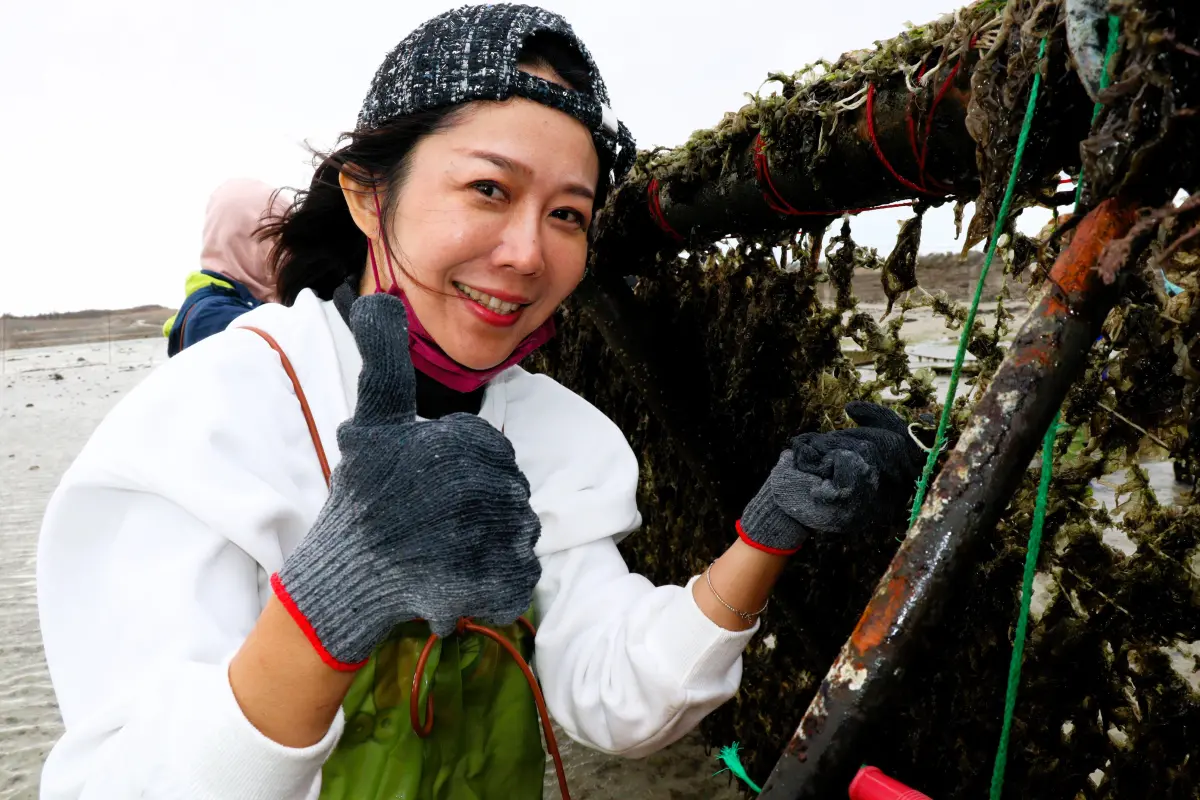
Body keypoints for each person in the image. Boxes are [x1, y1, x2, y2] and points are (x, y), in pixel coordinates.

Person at [35, 6, 927, 799]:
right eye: (489, 189)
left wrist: (765, 536)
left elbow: (613, 698)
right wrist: (329, 603)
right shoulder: (208, 423)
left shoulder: (558, 435)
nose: (528, 254)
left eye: (568, 214)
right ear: (368, 195)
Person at [162, 178, 289, 356]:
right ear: (246, 242)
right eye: (280, 238)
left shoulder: (248, 302)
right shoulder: (214, 317)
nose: (288, 252)